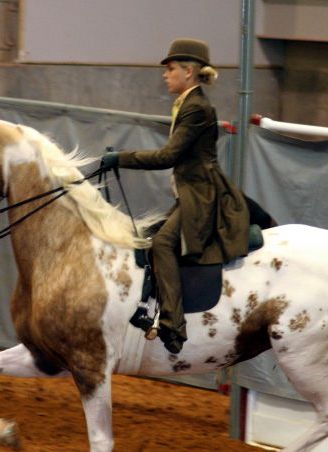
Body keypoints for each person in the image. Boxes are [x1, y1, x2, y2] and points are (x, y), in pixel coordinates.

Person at [101, 38, 250, 353]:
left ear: (189, 71)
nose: (165, 75)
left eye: (170, 69)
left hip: (202, 195)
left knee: (163, 243)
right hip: (191, 192)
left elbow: (168, 156)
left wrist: (121, 158)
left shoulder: (196, 108)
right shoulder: (188, 103)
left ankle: (173, 324)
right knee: (152, 238)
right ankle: (150, 308)